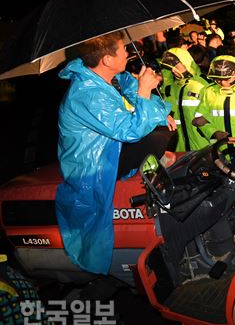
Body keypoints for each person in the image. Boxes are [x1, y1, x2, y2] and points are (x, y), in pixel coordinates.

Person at [56, 31, 174, 274]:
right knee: (156, 136)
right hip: (95, 164)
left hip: (113, 148)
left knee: (161, 130)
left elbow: (131, 91)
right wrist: (145, 93)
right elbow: (130, 131)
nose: (128, 53)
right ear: (107, 59)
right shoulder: (87, 94)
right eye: (122, 50)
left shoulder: (108, 77)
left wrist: (154, 104)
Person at [193, 55, 235, 142]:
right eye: (218, 79)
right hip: (221, 148)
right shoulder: (209, 92)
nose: (222, 82)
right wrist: (214, 133)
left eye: (227, 79)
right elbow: (199, 120)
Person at [159, 48, 210, 151]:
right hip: (178, 147)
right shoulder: (168, 88)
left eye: (177, 66)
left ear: (186, 62)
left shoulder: (203, 84)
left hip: (203, 144)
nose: (174, 71)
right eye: (171, 68)